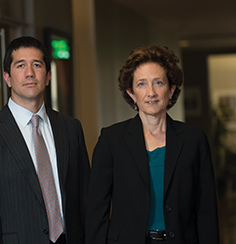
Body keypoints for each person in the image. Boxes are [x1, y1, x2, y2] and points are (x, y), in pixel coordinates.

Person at [85, 45, 220, 244]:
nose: (151, 92)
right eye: (142, 84)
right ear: (131, 93)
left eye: (158, 83)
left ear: (171, 90)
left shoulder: (194, 140)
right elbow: (97, 209)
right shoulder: (111, 140)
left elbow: (206, 210)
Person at [0, 36, 90, 244]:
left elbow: (85, 199)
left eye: (36, 65)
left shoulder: (70, 128)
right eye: (20, 65)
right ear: (7, 77)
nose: (30, 72)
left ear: (48, 76)